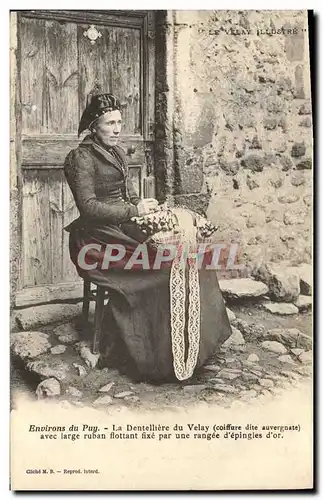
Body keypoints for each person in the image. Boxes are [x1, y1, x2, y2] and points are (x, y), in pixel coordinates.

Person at [64, 93, 232, 383]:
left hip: (120, 226)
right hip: (94, 239)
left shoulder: (116, 152)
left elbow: (127, 197)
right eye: (109, 123)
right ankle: (151, 354)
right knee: (163, 267)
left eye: (119, 122)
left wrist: (144, 208)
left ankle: (192, 344)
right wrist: (133, 210)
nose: (117, 129)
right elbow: (88, 207)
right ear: (94, 126)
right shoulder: (81, 157)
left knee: (188, 254)